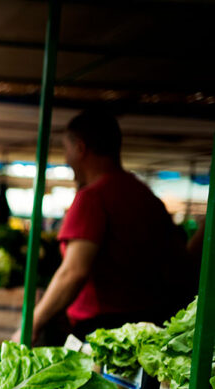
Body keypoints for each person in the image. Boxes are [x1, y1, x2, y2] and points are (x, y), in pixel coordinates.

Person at [18, 110, 193, 344]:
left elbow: (73, 272)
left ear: (80, 148)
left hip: (103, 332)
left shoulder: (93, 198)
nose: (66, 159)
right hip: (151, 327)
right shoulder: (146, 197)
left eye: (66, 150)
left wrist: (32, 323)